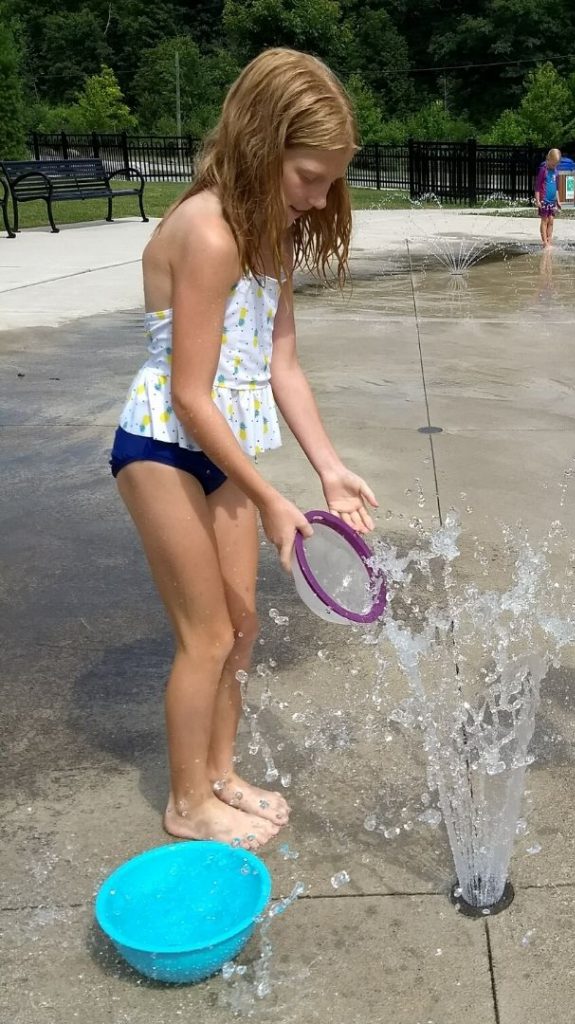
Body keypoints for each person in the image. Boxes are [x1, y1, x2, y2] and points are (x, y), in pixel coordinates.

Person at [110, 48, 379, 850]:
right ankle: (186, 800)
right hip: (161, 447)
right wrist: (269, 495)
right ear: (261, 145)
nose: (321, 196)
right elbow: (191, 394)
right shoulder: (209, 232)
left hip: (223, 453)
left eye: (331, 180)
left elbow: (281, 364)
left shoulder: (269, 239)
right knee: (206, 635)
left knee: (243, 624)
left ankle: (221, 774)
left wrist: (327, 467)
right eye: (308, 176)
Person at [534, 148, 562, 248]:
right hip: (544, 201)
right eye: (553, 164)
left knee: (551, 221)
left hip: (552, 201)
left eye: (556, 164)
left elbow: (557, 189)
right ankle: (544, 242)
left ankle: (549, 240)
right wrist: (537, 201)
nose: (554, 166)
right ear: (548, 159)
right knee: (544, 221)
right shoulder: (543, 171)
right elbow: (537, 187)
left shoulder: (556, 172)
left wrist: (558, 200)